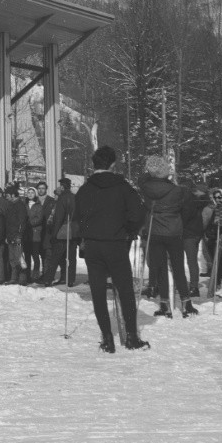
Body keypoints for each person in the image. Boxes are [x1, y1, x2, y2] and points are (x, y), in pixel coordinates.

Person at [74, 145, 150, 352]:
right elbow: (138, 212)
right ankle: (132, 337)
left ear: (93, 164)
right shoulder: (123, 187)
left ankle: (107, 339)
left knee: (98, 292)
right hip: (116, 243)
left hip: (93, 244)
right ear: (113, 164)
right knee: (125, 290)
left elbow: (77, 215)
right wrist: (129, 229)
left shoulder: (84, 189)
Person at [139, 155, 198, 318]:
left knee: (160, 268)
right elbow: (187, 212)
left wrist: (151, 170)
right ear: (165, 171)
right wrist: (177, 221)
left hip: (155, 231)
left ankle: (164, 304)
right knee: (178, 267)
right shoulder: (178, 191)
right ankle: (186, 303)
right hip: (174, 232)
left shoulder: (145, 187)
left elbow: (141, 179)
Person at [40, 178, 77, 287]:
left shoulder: (62, 198)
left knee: (55, 257)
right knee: (71, 257)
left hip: (62, 231)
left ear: (62, 186)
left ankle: (48, 279)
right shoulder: (75, 197)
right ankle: (70, 280)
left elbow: (59, 218)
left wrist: (54, 234)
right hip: (74, 231)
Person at [181, 180, 205, 297]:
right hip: (196, 233)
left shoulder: (187, 200)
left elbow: (184, 217)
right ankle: (193, 286)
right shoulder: (198, 200)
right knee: (192, 261)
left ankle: (193, 287)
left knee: (188, 261)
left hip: (188, 234)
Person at [3, 186, 28, 285]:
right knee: (12, 258)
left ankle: (22, 279)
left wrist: (19, 235)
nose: (6, 197)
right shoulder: (11, 205)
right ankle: (14, 278)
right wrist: (7, 236)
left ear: (13, 195)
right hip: (10, 236)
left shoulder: (20, 205)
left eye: (8, 195)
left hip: (17, 236)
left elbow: (22, 222)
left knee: (19, 258)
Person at [24, 186, 44, 282]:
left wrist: (29, 223)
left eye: (32, 192)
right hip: (26, 234)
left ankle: (35, 274)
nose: (30, 194)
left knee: (35, 255)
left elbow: (39, 218)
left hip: (35, 234)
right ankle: (27, 275)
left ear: (35, 194)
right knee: (26, 255)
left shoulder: (38, 205)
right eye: (29, 192)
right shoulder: (24, 204)